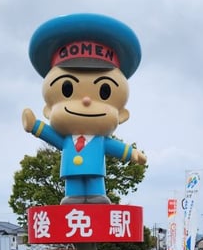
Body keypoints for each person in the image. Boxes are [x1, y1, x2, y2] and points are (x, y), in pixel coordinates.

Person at [22, 13, 147, 204]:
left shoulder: (100, 140)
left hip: (96, 171)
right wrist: (34, 126)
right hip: (71, 173)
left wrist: (132, 153)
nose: (87, 100)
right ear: (48, 109)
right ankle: (73, 196)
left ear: (121, 114)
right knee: (74, 188)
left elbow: (114, 146)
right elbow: (49, 134)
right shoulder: (66, 140)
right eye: (68, 88)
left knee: (96, 184)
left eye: (104, 92)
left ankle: (98, 195)